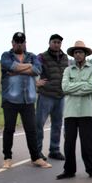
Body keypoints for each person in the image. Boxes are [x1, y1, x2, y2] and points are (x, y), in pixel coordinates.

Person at [0, 32, 51, 169]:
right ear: (12, 42)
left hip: (27, 99)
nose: (19, 44)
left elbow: (37, 70)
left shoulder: (32, 56)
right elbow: (10, 67)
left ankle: (36, 157)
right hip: (10, 99)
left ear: (25, 43)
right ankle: (7, 157)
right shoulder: (6, 55)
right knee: (9, 129)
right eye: (16, 41)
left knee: (31, 130)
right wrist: (28, 67)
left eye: (21, 41)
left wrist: (18, 69)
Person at [57, 40, 92, 180]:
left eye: (80, 52)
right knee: (69, 142)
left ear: (85, 54)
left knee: (88, 142)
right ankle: (69, 170)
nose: (78, 54)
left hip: (86, 111)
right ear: (73, 54)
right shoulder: (68, 70)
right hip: (70, 111)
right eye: (76, 52)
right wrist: (83, 86)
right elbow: (65, 88)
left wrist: (74, 86)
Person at [35, 33, 67, 161]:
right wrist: (35, 82)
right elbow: (33, 69)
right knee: (39, 124)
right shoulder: (41, 57)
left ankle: (54, 149)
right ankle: (37, 151)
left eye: (59, 42)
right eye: (54, 42)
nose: (56, 44)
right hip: (46, 95)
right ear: (49, 43)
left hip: (60, 95)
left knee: (57, 124)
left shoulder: (65, 58)